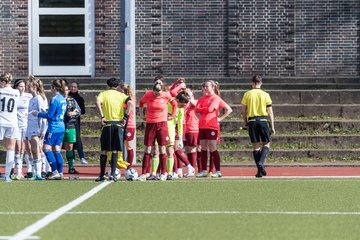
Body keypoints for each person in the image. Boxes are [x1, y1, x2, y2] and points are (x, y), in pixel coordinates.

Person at [95, 78, 134, 182]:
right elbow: (131, 103)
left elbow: (98, 102)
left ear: (108, 85)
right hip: (117, 124)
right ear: (117, 86)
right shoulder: (121, 95)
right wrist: (125, 117)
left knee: (104, 150)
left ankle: (101, 175)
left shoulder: (103, 94)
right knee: (115, 150)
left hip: (107, 124)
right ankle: (112, 174)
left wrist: (102, 116)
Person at [139, 80, 177, 181]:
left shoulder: (166, 95)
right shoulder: (148, 95)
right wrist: (141, 114)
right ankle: (144, 173)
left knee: (162, 148)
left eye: (159, 93)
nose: (157, 94)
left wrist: (172, 115)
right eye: (156, 93)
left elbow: (174, 104)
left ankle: (163, 173)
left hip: (162, 124)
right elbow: (141, 103)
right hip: (150, 124)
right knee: (148, 149)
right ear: (153, 90)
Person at [196, 80, 232, 178]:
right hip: (202, 126)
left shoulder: (216, 98)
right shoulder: (201, 99)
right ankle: (203, 170)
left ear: (212, 87)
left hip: (212, 126)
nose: (204, 88)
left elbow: (226, 109)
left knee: (212, 147)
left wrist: (220, 118)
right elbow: (197, 110)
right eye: (204, 86)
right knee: (203, 147)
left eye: (207, 86)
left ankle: (218, 171)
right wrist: (202, 117)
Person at [241, 74, 275, 178]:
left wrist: (245, 122)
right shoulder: (265, 94)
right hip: (263, 120)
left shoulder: (247, 94)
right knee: (266, 144)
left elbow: (243, 111)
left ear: (252, 83)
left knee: (256, 146)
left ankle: (259, 170)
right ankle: (261, 162)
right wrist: (272, 126)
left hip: (252, 121)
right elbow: (270, 112)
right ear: (261, 83)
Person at [32, 79, 67, 180]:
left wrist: (38, 113)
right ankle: (60, 172)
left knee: (46, 148)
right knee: (56, 148)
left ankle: (55, 171)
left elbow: (50, 115)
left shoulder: (55, 99)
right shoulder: (62, 98)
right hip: (61, 126)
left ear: (54, 88)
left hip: (54, 127)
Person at [25, 76, 48, 180]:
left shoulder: (39, 98)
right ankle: (35, 173)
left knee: (36, 149)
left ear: (34, 87)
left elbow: (43, 115)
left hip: (36, 128)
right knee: (32, 150)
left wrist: (43, 130)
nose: (27, 87)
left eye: (29, 85)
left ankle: (38, 173)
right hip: (29, 127)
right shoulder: (31, 99)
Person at [0, 73, 20, 182]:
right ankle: (7, 176)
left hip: (1, 121)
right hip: (12, 123)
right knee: (11, 149)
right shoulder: (16, 92)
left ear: (3, 81)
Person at [12, 78, 32, 180]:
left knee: (27, 149)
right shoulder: (13, 96)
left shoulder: (29, 96)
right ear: (16, 87)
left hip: (27, 125)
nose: (22, 88)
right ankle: (18, 172)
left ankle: (29, 171)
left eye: (24, 86)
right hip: (16, 126)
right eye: (20, 86)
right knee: (18, 149)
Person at [68, 81, 87, 164]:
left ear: (77, 88)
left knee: (78, 139)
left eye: (75, 87)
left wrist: (75, 112)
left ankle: (82, 157)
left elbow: (82, 111)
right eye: (71, 87)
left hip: (76, 121)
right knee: (70, 140)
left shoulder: (80, 99)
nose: (73, 88)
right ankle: (72, 158)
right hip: (68, 121)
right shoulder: (67, 97)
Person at [63, 85, 81, 174]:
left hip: (70, 125)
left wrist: (73, 112)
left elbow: (78, 111)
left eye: (66, 89)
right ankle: (55, 168)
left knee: (69, 147)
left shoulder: (72, 100)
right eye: (64, 89)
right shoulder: (57, 99)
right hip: (59, 126)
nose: (65, 91)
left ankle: (71, 167)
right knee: (56, 147)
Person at [118, 83, 135, 169]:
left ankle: (130, 167)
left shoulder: (129, 99)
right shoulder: (120, 98)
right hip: (120, 124)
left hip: (129, 125)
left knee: (129, 146)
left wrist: (125, 117)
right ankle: (117, 166)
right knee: (117, 145)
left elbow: (131, 105)